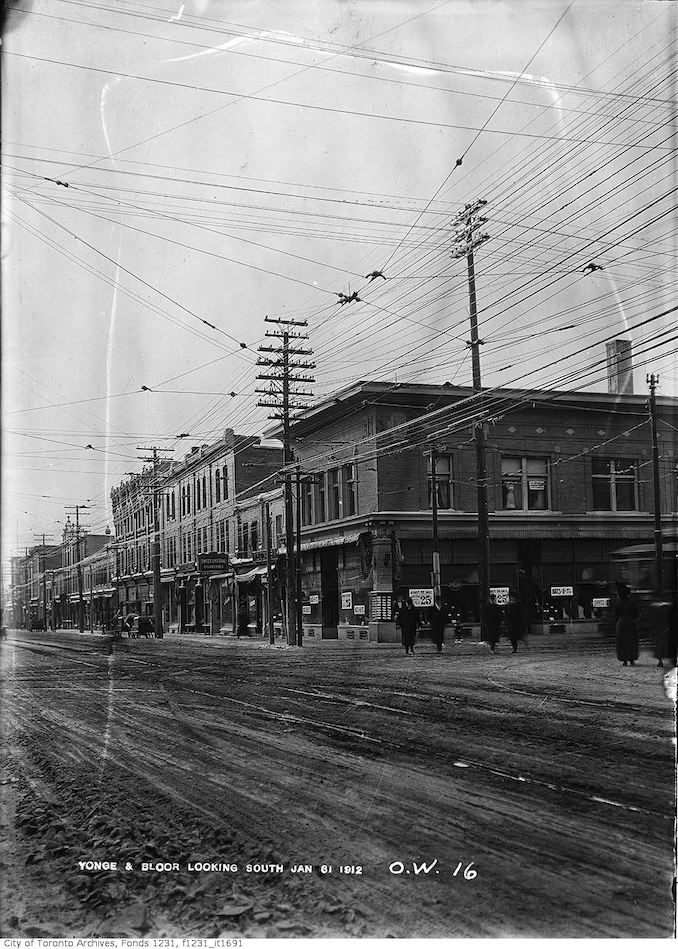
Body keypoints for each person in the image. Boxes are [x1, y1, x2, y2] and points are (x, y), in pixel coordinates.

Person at [614, 583, 639, 667]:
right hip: (631, 623)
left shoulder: (618, 604)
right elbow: (636, 614)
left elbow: (615, 615)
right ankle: (631, 659)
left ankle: (624, 660)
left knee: (622, 642)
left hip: (621, 624)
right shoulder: (632, 603)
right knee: (631, 641)